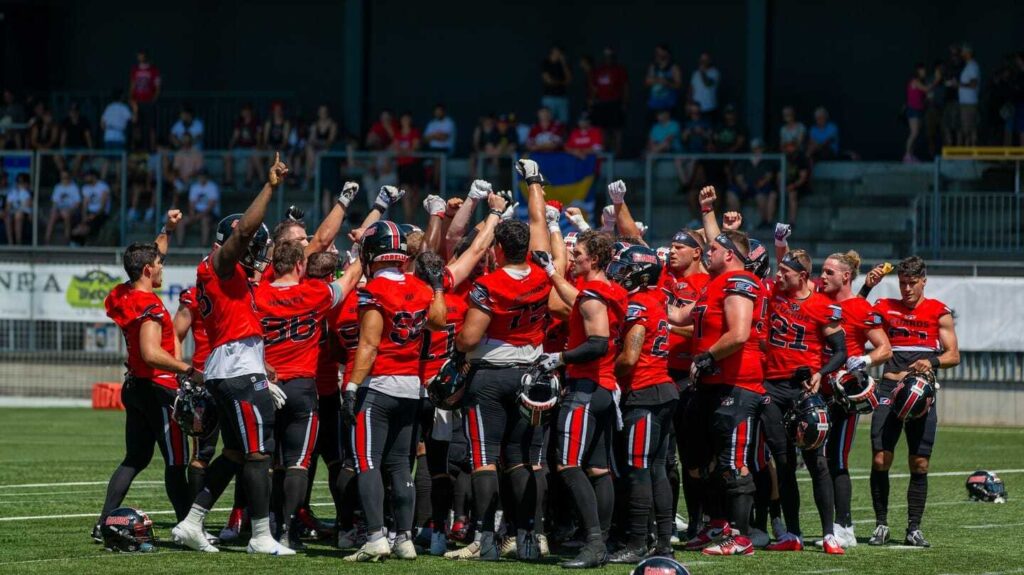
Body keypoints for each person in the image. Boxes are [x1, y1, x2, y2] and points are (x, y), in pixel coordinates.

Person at [170, 154, 293, 555]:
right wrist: (270, 186)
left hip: (238, 365)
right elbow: (244, 233)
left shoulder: (232, 277)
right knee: (259, 453)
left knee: (237, 452)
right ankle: (260, 536)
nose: (259, 253)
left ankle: (191, 522)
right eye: (255, 246)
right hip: (237, 369)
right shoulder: (218, 266)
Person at [445, 160, 551, 562]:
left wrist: (458, 343)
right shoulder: (542, 274)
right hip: (532, 377)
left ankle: (486, 540)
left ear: (500, 249)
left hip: (490, 375)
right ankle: (529, 537)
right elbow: (539, 222)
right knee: (525, 460)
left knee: (485, 460)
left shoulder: (490, 283)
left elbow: (470, 336)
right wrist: (534, 182)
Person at [341, 219, 447, 562]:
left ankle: (375, 537)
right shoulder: (419, 287)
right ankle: (403, 538)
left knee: (368, 462)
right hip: (411, 388)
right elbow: (438, 322)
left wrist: (352, 385)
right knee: (401, 464)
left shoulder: (373, 291)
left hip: (380, 386)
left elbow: (369, 346)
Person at [669, 209, 766, 556]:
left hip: (736, 383)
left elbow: (739, 333)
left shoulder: (740, 281)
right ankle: (715, 526)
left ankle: (740, 535)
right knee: (702, 461)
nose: (706, 253)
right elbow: (678, 315)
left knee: (732, 463)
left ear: (729, 254)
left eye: (712, 250)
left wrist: (706, 356)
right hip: (710, 384)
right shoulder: (712, 284)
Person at [254, 236, 361, 550]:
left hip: (266, 385)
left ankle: (266, 527)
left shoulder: (257, 295)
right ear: (300, 265)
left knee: (267, 461)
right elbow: (350, 278)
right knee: (299, 463)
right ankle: (288, 531)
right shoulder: (313, 292)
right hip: (303, 386)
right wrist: (362, 256)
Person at [93, 211, 195, 541]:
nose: (163, 266)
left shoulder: (119, 294)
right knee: (176, 462)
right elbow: (151, 353)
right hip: (157, 389)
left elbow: (154, 252)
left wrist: (167, 229)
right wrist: (188, 369)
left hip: (134, 386)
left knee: (135, 458)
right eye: (159, 264)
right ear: (148, 270)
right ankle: (187, 527)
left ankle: (104, 522)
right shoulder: (150, 305)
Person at [533, 229, 626, 569]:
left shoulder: (593, 295)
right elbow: (580, 301)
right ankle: (600, 539)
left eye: (580, 254)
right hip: (604, 387)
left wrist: (559, 358)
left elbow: (598, 342)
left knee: (569, 466)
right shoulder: (608, 290)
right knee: (599, 470)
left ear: (596, 259)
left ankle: (595, 543)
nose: (574, 258)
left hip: (586, 388)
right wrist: (551, 273)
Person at [863, 256, 960, 548]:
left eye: (912, 283)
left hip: (921, 392)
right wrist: (867, 288)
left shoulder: (938, 312)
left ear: (923, 281)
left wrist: (931, 361)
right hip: (889, 387)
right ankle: (881, 524)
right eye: (902, 283)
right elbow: (854, 315)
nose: (906, 289)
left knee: (919, 463)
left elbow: (953, 354)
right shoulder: (884, 307)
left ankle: (914, 528)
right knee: (881, 458)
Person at [758, 248, 847, 554]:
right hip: (772, 387)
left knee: (816, 462)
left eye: (786, 271)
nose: (779, 275)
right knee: (782, 462)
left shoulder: (822, 306)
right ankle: (793, 533)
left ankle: (828, 533)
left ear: (803, 276)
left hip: (803, 390)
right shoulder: (772, 293)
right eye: (779, 270)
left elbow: (840, 350)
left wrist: (822, 373)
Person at [816, 251, 892, 549]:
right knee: (811, 459)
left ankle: (844, 523)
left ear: (845, 276)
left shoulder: (861, 308)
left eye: (828, 273)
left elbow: (885, 349)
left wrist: (864, 359)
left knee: (836, 457)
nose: (822, 277)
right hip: (813, 390)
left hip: (842, 394)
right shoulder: (818, 300)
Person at [607, 244, 678, 563]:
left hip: (644, 391)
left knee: (639, 469)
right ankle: (663, 539)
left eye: (625, 268)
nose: (619, 274)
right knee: (658, 469)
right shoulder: (656, 298)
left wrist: (608, 372)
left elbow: (630, 356)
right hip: (662, 389)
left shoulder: (638, 305)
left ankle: (638, 541)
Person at [658, 228, 709, 541]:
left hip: (687, 376)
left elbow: (700, 329)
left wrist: (666, 326)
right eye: (671, 245)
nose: (672, 251)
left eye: (679, 246)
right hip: (659, 372)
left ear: (696, 253)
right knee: (664, 457)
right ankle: (666, 521)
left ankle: (698, 521)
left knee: (693, 457)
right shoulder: (664, 278)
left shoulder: (706, 285)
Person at [587, 47, 629, 156]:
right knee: (602, 129)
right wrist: (592, 99)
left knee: (616, 129)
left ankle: (618, 152)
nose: (608, 59)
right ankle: (604, 151)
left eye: (610, 56)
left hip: (615, 102)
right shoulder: (598, 71)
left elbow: (625, 87)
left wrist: (624, 102)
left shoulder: (619, 70)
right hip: (601, 103)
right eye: (606, 56)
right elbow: (594, 87)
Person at [726, 139, 776, 226]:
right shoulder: (745, 160)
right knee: (731, 194)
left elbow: (769, 175)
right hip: (745, 185)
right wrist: (742, 184)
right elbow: (739, 176)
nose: (757, 150)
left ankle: (764, 222)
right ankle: (738, 221)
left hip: (759, 186)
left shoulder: (767, 160)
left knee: (761, 196)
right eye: (755, 148)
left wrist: (762, 183)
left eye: (759, 148)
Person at [905, 65, 941, 163]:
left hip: (919, 110)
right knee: (914, 133)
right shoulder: (915, 81)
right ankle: (907, 155)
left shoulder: (920, 82)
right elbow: (927, 89)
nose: (924, 72)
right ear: (918, 71)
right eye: (922, 70)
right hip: (913, 110)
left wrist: (927, 99)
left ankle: (911, 155)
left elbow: (923, 95)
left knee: (916, 134)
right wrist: (937, 80)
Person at [392, 111, 423, 223]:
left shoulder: (414, 133)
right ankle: (408, 220)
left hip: (414, 166)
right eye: (403, 119)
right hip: (402, 166)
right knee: (406, 193)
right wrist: (405, 151)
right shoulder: (398, 134)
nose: (405, 122)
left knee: (415, 194)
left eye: (407, 119)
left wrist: (403, 151)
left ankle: (412, 216)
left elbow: (415, 148)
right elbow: (395, 149)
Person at [224, 103, 263, 188]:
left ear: (250, 112)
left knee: (253, 155)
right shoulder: (239, 122)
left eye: (247, 111)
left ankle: (253, 181)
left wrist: (258, 146)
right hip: (240, 148)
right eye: (243, 111)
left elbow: (258, 137)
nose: (245, 113)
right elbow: (235, 136)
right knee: (227, 156)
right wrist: (230, 147)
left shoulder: (256, 122)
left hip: (252, 148)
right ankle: (228, 181)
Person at [178, 168, 220, 247]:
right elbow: (191, 203)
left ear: (207, 177)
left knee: (205, 221)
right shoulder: (194, 187)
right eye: (200, 176)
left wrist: (198, 216)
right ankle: (180, 246)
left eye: (203, 176)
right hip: (196, 212)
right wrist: (192, 214)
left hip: (210, 213)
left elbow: (211, 206)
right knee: (181, 221)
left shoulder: (212, 187)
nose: (202, 178)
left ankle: (203, 247)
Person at [129, 50, 161, 151]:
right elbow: (132, 85)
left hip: (148, 102)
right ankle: (136, 148)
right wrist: (130, 98)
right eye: (139, 56)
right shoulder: (135, 70)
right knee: (136, 126)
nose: (140, 58)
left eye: (142, 56)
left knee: (151, 126)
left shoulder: (153, 70)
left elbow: (158, 87)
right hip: (137, 103)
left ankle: (152, 148)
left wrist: (153, 100)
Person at [71, 169, 111, 246]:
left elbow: (103, 206)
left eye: (87, 176)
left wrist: (93, 216)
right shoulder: (85, 188)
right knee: (77, 221)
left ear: (93, 176)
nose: (85, 178)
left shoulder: (103, 186)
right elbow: (85, 204)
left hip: (101, 213)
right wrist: (84, 216)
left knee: (88, 226)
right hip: (89, 212)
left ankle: (85, 243)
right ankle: (75, 243)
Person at [646, 44, 683, 123]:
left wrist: (667, 83)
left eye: (660, 52)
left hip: (668, 105)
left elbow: (678, 85)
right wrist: (657, 80)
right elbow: (647, 82)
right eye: (656, 52)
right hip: (654, 105)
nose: (658, 54)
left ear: (666, 53)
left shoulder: (673, 67)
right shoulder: (653, 66)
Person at [305, 104, 339, 189]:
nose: (323, 114)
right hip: (316, 151)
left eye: (324, 112)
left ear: (327, 113)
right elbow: (311, 140)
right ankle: (312, 174)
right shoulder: (315, 125)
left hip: (327, 150)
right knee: (309, 149)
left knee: (319, 154)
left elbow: (330, 141)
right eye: (321, 112)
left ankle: (312, 175)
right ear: (318, 113)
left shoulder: (332, 124)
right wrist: (317, 143)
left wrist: (319, 143)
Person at [57, 102, 94, 176]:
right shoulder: (66, 121)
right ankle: (64, 176)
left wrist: (91, 150)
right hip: (69, 148)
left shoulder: (83, 121)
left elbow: (88, 137)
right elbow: (63, 137)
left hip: (81, 148)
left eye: (75, 110)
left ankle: (72, 177)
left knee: (80, 154)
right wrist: (61, 149)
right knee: (56, 156)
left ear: (78, 111)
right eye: (71, 111)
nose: (73, 113)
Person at [46, 169, 82, 244]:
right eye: (63, 178)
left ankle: (67, 240)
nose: (64, 179)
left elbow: (77, 204)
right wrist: (54, 210)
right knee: (53, 215)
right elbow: (55, 202)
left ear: (69, 178)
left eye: (66, 177)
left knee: (66, 214)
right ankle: (47, 240)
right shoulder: (57, 187)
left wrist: (69, 210)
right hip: (60, 210)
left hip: (71, 210)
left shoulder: (74, 187)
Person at [541, 45, 573, 124]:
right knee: (548, 121)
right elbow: (548, 80)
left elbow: (569, 80)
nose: (558, 54)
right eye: (556, 52)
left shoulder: (563, 64)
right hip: (549, 97)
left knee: (563, 122)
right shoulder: (546, 63)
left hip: (562, 97)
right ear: (552, 52)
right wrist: (562, 82)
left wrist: (563, 63)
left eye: (559, 52)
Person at [958, 43, 981, 146]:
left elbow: (974, 84)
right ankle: (970, 155)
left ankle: (969, 155)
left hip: (969, 103)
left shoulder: (972, 66)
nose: (961, 54)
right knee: (970, 129)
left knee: (968, 129)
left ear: (968, 53)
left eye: (963, 51)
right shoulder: (969, 65)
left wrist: (958, 84)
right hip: (967, 102)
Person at [781, 142, 810, 224]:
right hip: (784, 185)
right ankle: (767, 222)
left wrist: (793, 186)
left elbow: (803, 178)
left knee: (792, 194)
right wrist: (780, 185)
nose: (789, 149)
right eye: (787, 146)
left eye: (791, 146)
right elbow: (779, 176)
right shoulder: (784, 157)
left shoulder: (801, 159)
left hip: (799, 186)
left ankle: (791, 221)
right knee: (772, 194)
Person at [689, 52, 721, 121]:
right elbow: (691, 89)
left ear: (709, 61)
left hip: (709, 107)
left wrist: (702, 72)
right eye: (701, 60)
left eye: (705, 60)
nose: (703, 62)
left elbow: (707, 84)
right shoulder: (695, 73)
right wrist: (688, 103)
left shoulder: (715, 72)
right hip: (696, 109)